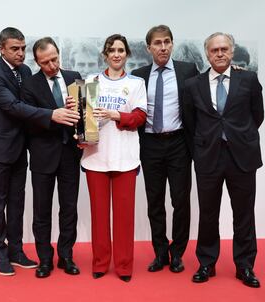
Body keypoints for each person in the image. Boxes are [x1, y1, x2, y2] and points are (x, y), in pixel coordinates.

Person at [0, 28, 80, 276]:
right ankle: (0, 255)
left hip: (21, 148)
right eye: (15, 48)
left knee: (16, 203)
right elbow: (15, 107)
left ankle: (16, 252)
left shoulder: (24, 71)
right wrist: (52, 114)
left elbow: (81, 111)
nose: (20, 53)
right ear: (1, 48)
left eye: (22, 48)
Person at [183, 32, 264, 288]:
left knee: (244, 214)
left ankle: (245, 266)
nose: (219, 53)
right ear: (207, 53)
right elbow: (189, 123)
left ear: (232, 51)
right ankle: (207, 262)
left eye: (224, 49)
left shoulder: (249, 79)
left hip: (242, 157)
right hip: (208, 158)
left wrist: (239, 137)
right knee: (208, 214)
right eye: (214, 50)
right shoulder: (193, 85)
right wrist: (202, 148)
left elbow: (257, 116)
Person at [131, 25, 199, 274]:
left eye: (167, 42)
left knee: (181, 201)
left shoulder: (187, 70)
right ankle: (160, 252)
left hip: (179, 143)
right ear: (149, 47)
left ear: (172, 44)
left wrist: (235, 70)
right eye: (157, 43)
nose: (163, 47)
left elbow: (206, 86)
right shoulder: (139, 75)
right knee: (155, 202)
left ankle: (177, 253)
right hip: (150, 145)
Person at [81, 34, 147, 282]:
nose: (116, 54)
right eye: (112, 50)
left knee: (124, 217)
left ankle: (124, 266)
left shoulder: (136, 83)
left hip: (125, 157)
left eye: (121, 50)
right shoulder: (91, 81)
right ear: (105, 54)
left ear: (127, 54)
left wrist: (116, 114)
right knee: (99, 216)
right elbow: (83, 120)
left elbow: (140, 118)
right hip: (96, 157)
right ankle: (99, 263)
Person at [21, 37, 82, 279]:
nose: (52, 66)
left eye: (55, 59)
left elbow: (86, 111)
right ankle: (45, 258)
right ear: (37, 62)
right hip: (43, 155)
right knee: (42, 211)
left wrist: (77, 108)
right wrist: (53, 115)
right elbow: (28, 121)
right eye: (45, 62)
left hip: (70, 154)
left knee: (69, 209)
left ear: (59, 54)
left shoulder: (73, 76)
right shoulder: (30, 84)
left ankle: (66, 256)